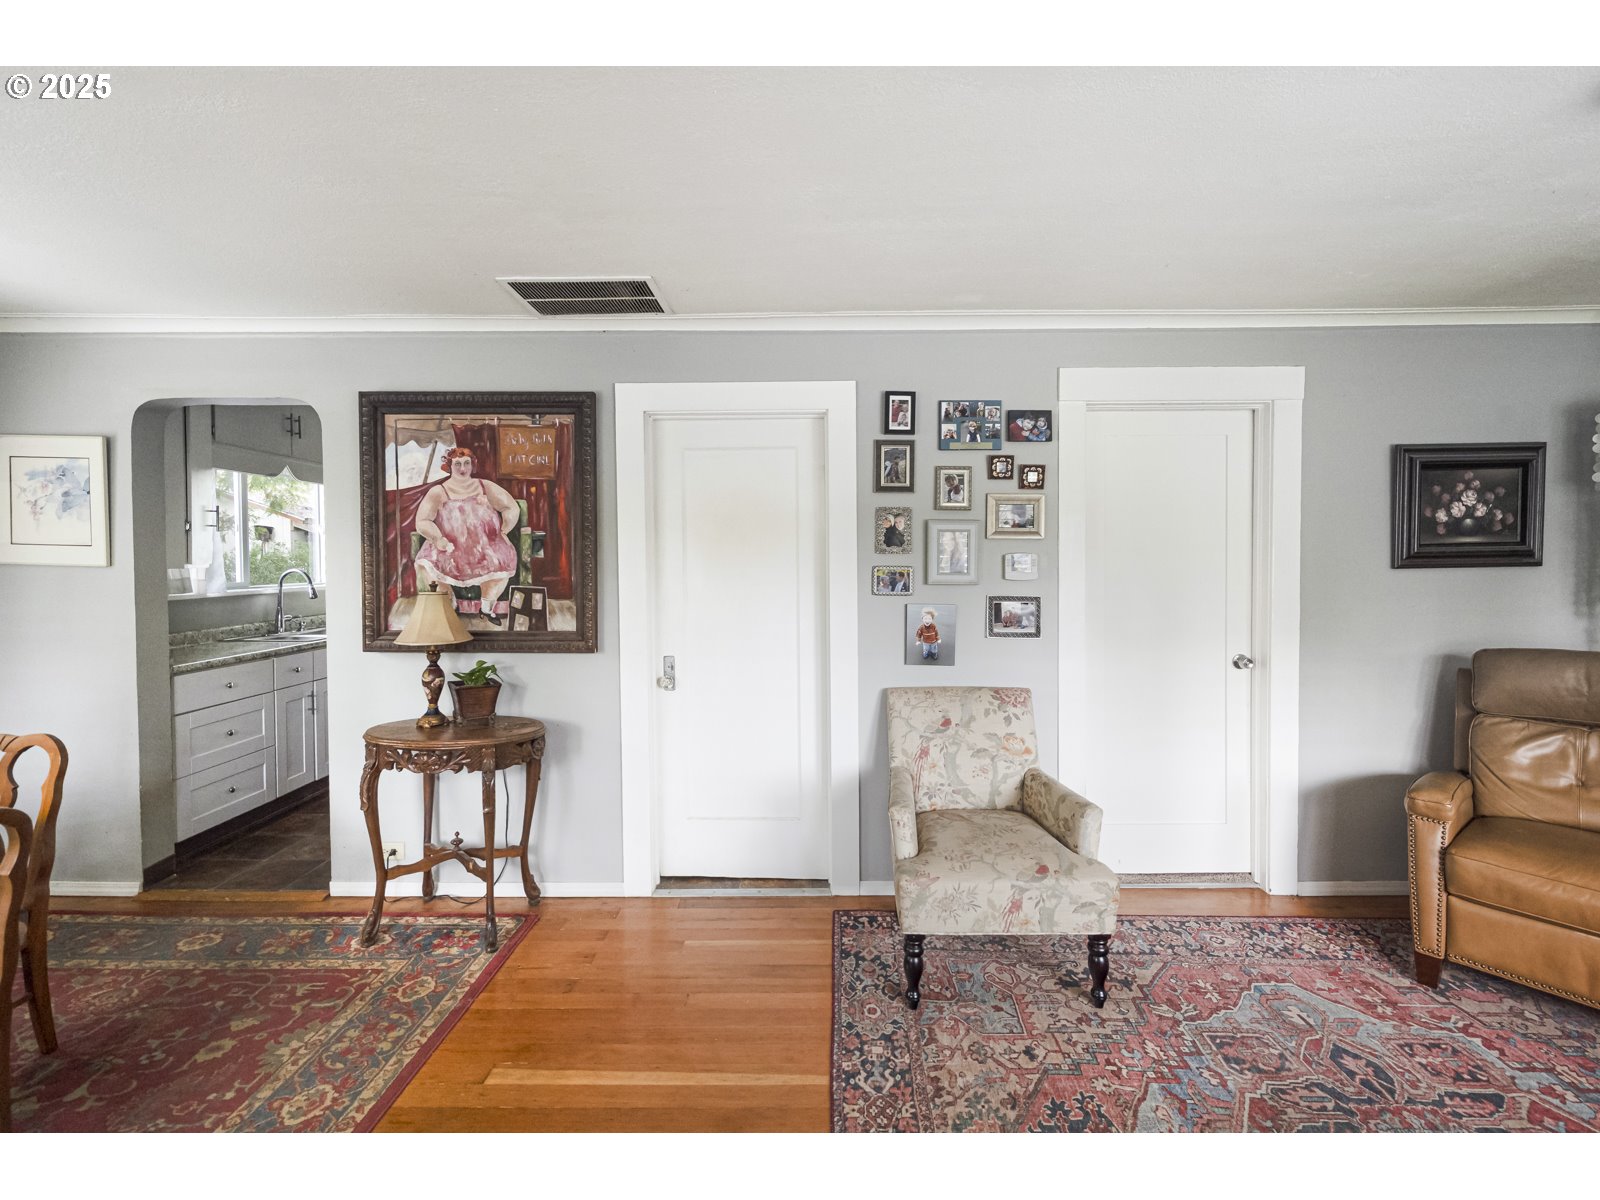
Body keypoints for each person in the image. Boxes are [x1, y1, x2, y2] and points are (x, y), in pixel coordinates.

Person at [413, 446, 520, 626]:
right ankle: (450, 605)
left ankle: (486, 608)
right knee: (427, 566)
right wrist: (438, 538)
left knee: (501, 564)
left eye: (467, 463)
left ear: (472, 465)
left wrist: (504, 530)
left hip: (485, 546)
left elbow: (510, 507)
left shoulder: (484, 486)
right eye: (457, 464)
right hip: (450, 547)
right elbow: (422, 521)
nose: (463, 469)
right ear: (449, 466)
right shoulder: (439, 491)